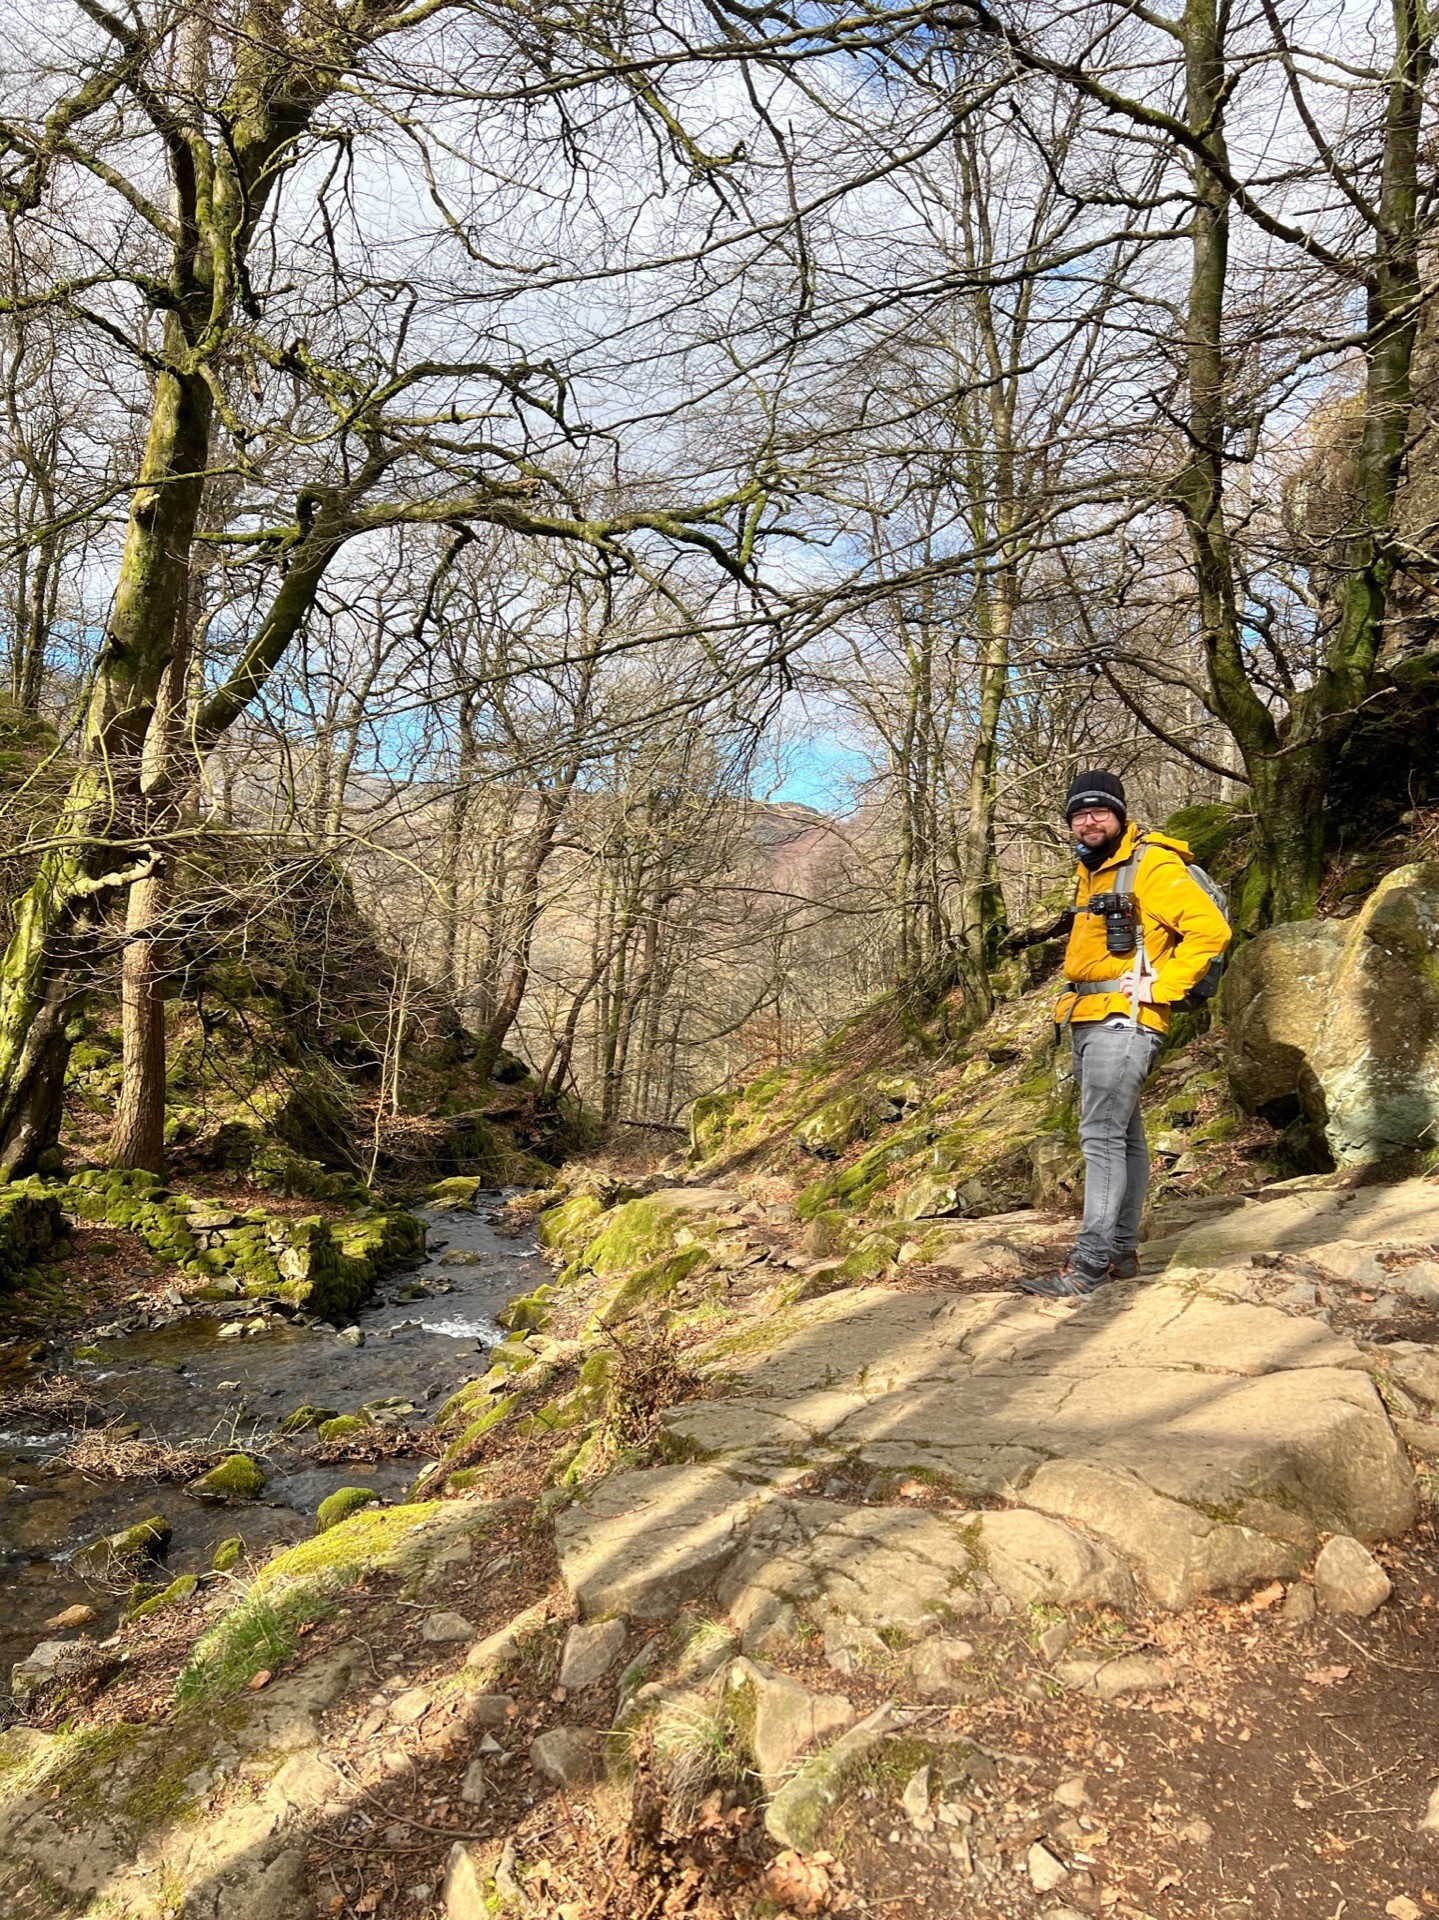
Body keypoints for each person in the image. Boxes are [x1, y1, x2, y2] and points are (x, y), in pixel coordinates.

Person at [1020, 769, 1231, 1301]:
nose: (1089, 822)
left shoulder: (1151, 864)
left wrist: (1164, 982)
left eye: (1100, 812)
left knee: (1101, 1136)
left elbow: (1211, 930)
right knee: (1125, 1136)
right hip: (1093, 1015)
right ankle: (1119, 1253)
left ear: (1119, 815)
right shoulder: (1094, 870)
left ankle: (1089, 1262)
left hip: (1126, 1018)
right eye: (1079, 815)